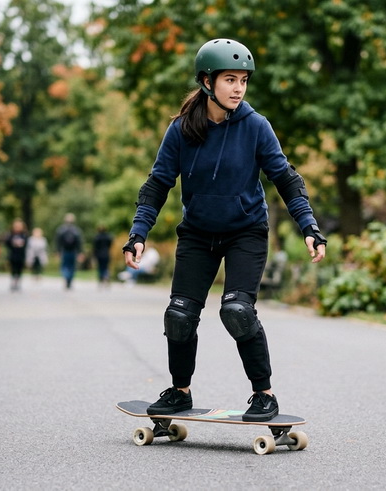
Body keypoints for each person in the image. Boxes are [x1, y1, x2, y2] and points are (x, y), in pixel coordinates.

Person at [122, 39, 327, 422]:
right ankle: (180, 392)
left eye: (244, 80)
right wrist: (138, 233)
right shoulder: (182, 130)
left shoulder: (256, 126)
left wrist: (309, 226)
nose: (238, 88)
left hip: (245, 231)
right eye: (230, 79)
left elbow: (286, 179)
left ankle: (264, 395)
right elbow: (157, 184)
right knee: (179, 315)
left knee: (237, 310)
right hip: (198, 233)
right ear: (206, 82)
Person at [55, 213, 83, 290]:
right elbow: (79, 242)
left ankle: (67, 278)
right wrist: (80, 252)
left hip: (66, 251)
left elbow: (58, 242)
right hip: (72, 251)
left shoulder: (61, 229)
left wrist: (58, 251)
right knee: (71, 267)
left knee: (65, 266)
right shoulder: (76, 230)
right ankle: (69, 280)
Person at [4, 219, 29, 292]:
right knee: (13, 268)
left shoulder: (24, 235)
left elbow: (27, 244)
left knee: (19, 269)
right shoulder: (11, 234)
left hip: (21, 255)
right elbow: (7, 243)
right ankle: (13, 281)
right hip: (13, 255)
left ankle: (18, 281)